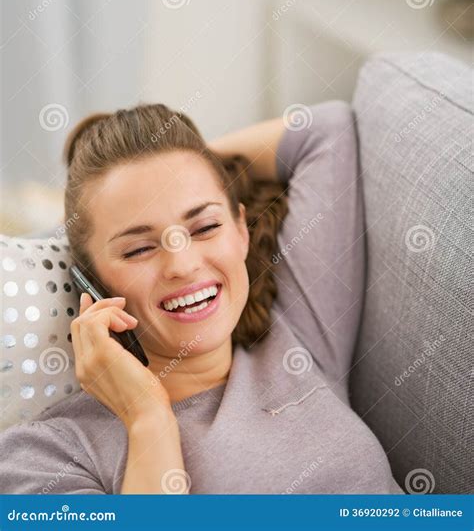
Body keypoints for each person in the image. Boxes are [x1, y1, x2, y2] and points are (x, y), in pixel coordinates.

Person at [0, 100, 404, 494]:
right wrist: (147, 417)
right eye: (139, 249)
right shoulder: (46, 456)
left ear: (240, 230)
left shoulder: (297, 333)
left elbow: (325, 131)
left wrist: (192, 160)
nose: (183, 264)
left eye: (206, 225)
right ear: (92, 283)